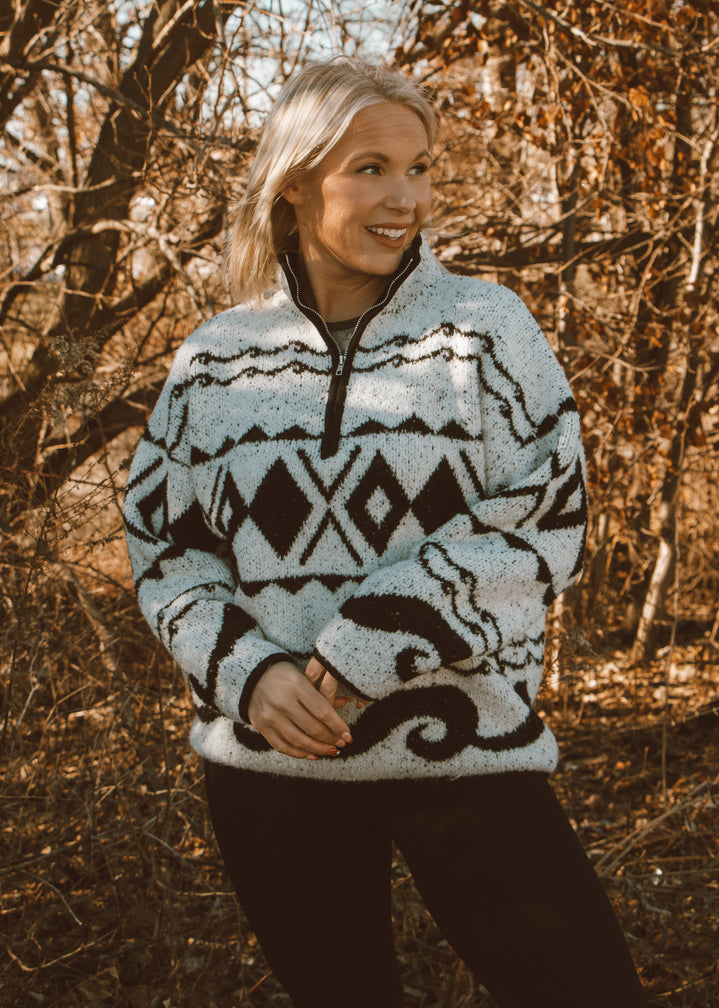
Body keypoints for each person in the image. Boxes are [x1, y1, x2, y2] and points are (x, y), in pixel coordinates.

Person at [124, 57, 650, 1008]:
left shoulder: (485, 331)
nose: (404, 196)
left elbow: (547, 516)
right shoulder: (214, 361)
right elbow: (164, 548)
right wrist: (245, 670)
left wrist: (375, 636)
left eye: (420, 167)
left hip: (465, 751)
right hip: (270, 764)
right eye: (369, 167)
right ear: (294, 182)